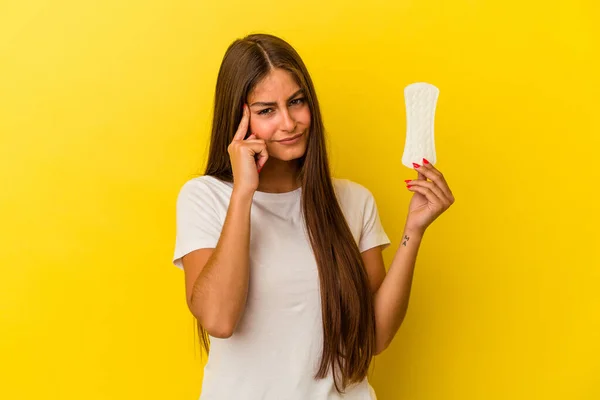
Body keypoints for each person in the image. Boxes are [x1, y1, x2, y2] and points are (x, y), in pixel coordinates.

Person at [172, 33, 455, 400]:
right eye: (266, 110)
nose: (288, 123)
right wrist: (243, 193)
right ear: (239, 119)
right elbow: (219, 320)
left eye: (296, 102)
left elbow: (372, 338)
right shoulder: (205, 197)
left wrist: (413, 231)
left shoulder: (353, 201)